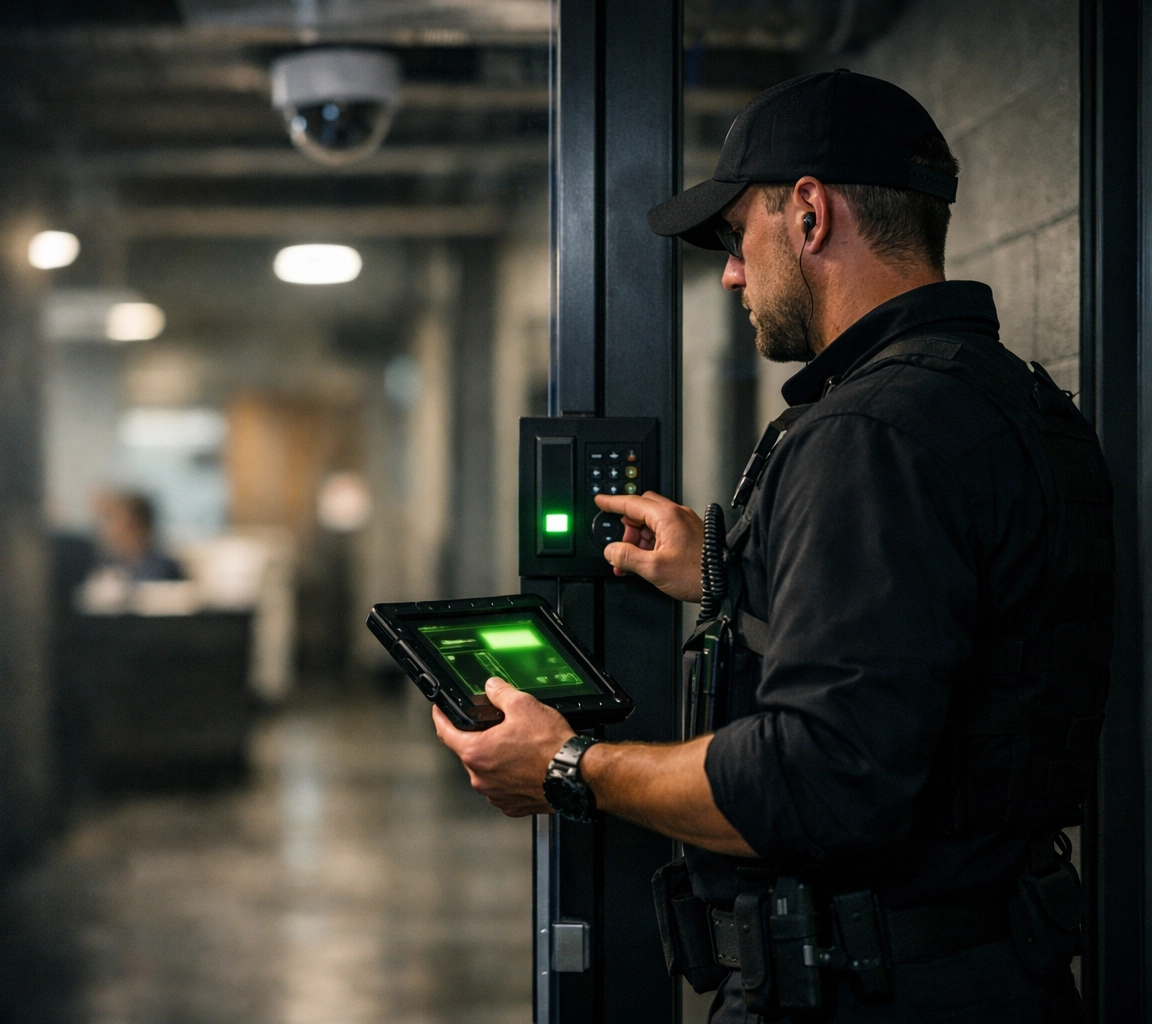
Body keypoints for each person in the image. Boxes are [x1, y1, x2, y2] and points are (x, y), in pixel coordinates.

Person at [433, 71, 1112, 1022]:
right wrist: (724, 568)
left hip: (867, 992)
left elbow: (817, 782)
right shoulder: (1013, 401)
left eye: (735, 237)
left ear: (808, 214)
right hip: (997, 970)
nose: (731, 274)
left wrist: (568, 764)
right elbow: (945, 648)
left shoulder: (869, 431)